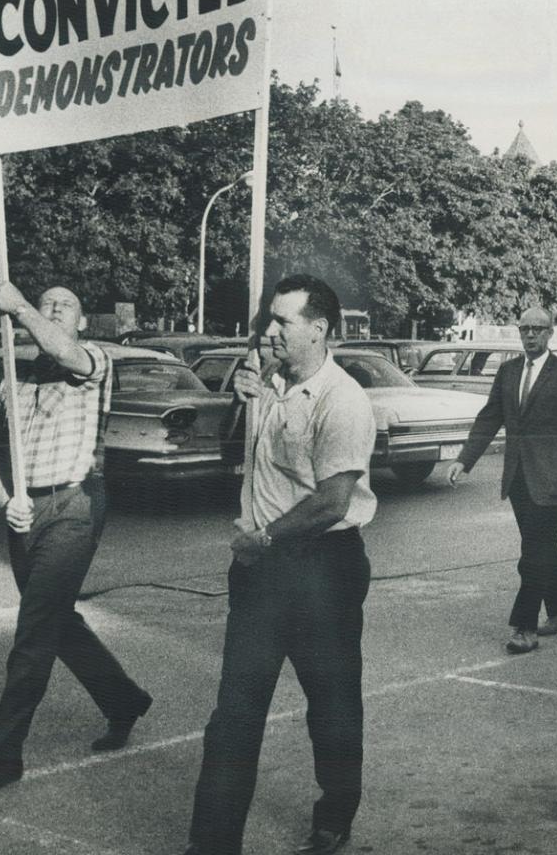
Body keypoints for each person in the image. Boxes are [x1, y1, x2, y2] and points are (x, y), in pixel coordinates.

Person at [186, 275, 377, 855]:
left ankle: (335, 812)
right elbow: (229, 455)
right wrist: (238, 401)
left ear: (319, 330)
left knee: (332, 703)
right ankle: (213, 843)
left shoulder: (343, 400)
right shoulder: (265, 383)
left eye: (282, 322)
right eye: (268, 320)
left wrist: (263, 538)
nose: (268, 332)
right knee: (236, 712)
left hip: (323, 566)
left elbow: (332, 502)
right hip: (261, 571)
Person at [0, 282, 153, 798]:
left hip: (75, 505)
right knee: (56, 621)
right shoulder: (13, 382)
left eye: (66, 305)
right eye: (46, 303)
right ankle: (123, 700)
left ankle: (3, 756)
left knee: (35, 630)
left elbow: (61, 350)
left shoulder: (92, 361)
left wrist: (19, 306)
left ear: (83, 322)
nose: (54, 308)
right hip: (25, 511)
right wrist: (6, 502)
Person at [445, 306, 557, 655]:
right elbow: (490, 416)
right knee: (539, 547)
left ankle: (524, 627)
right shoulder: (509, 371)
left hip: (554, 479)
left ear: (550, 332)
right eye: (524, 328)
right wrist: (465, 459)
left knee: (532, 554)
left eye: (537, 329)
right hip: (518, 479)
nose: (529, 335)